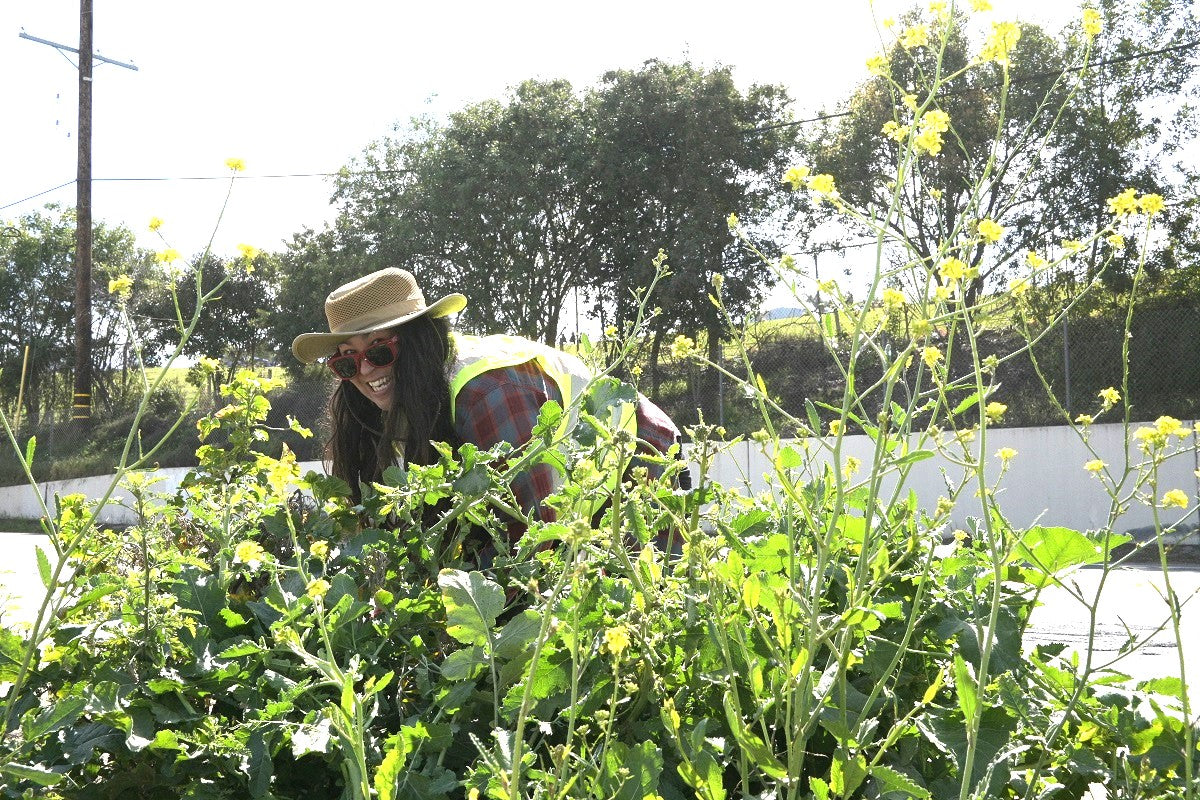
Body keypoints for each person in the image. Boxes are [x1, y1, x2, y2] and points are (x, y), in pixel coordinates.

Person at [291, 267, 680, 543]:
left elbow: (534, 539)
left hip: (639, 470)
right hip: (568, 497)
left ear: (420, 342)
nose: (364, 371)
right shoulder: (402, 402)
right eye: (346, 360)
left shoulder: (489, 394)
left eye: (379, 351)